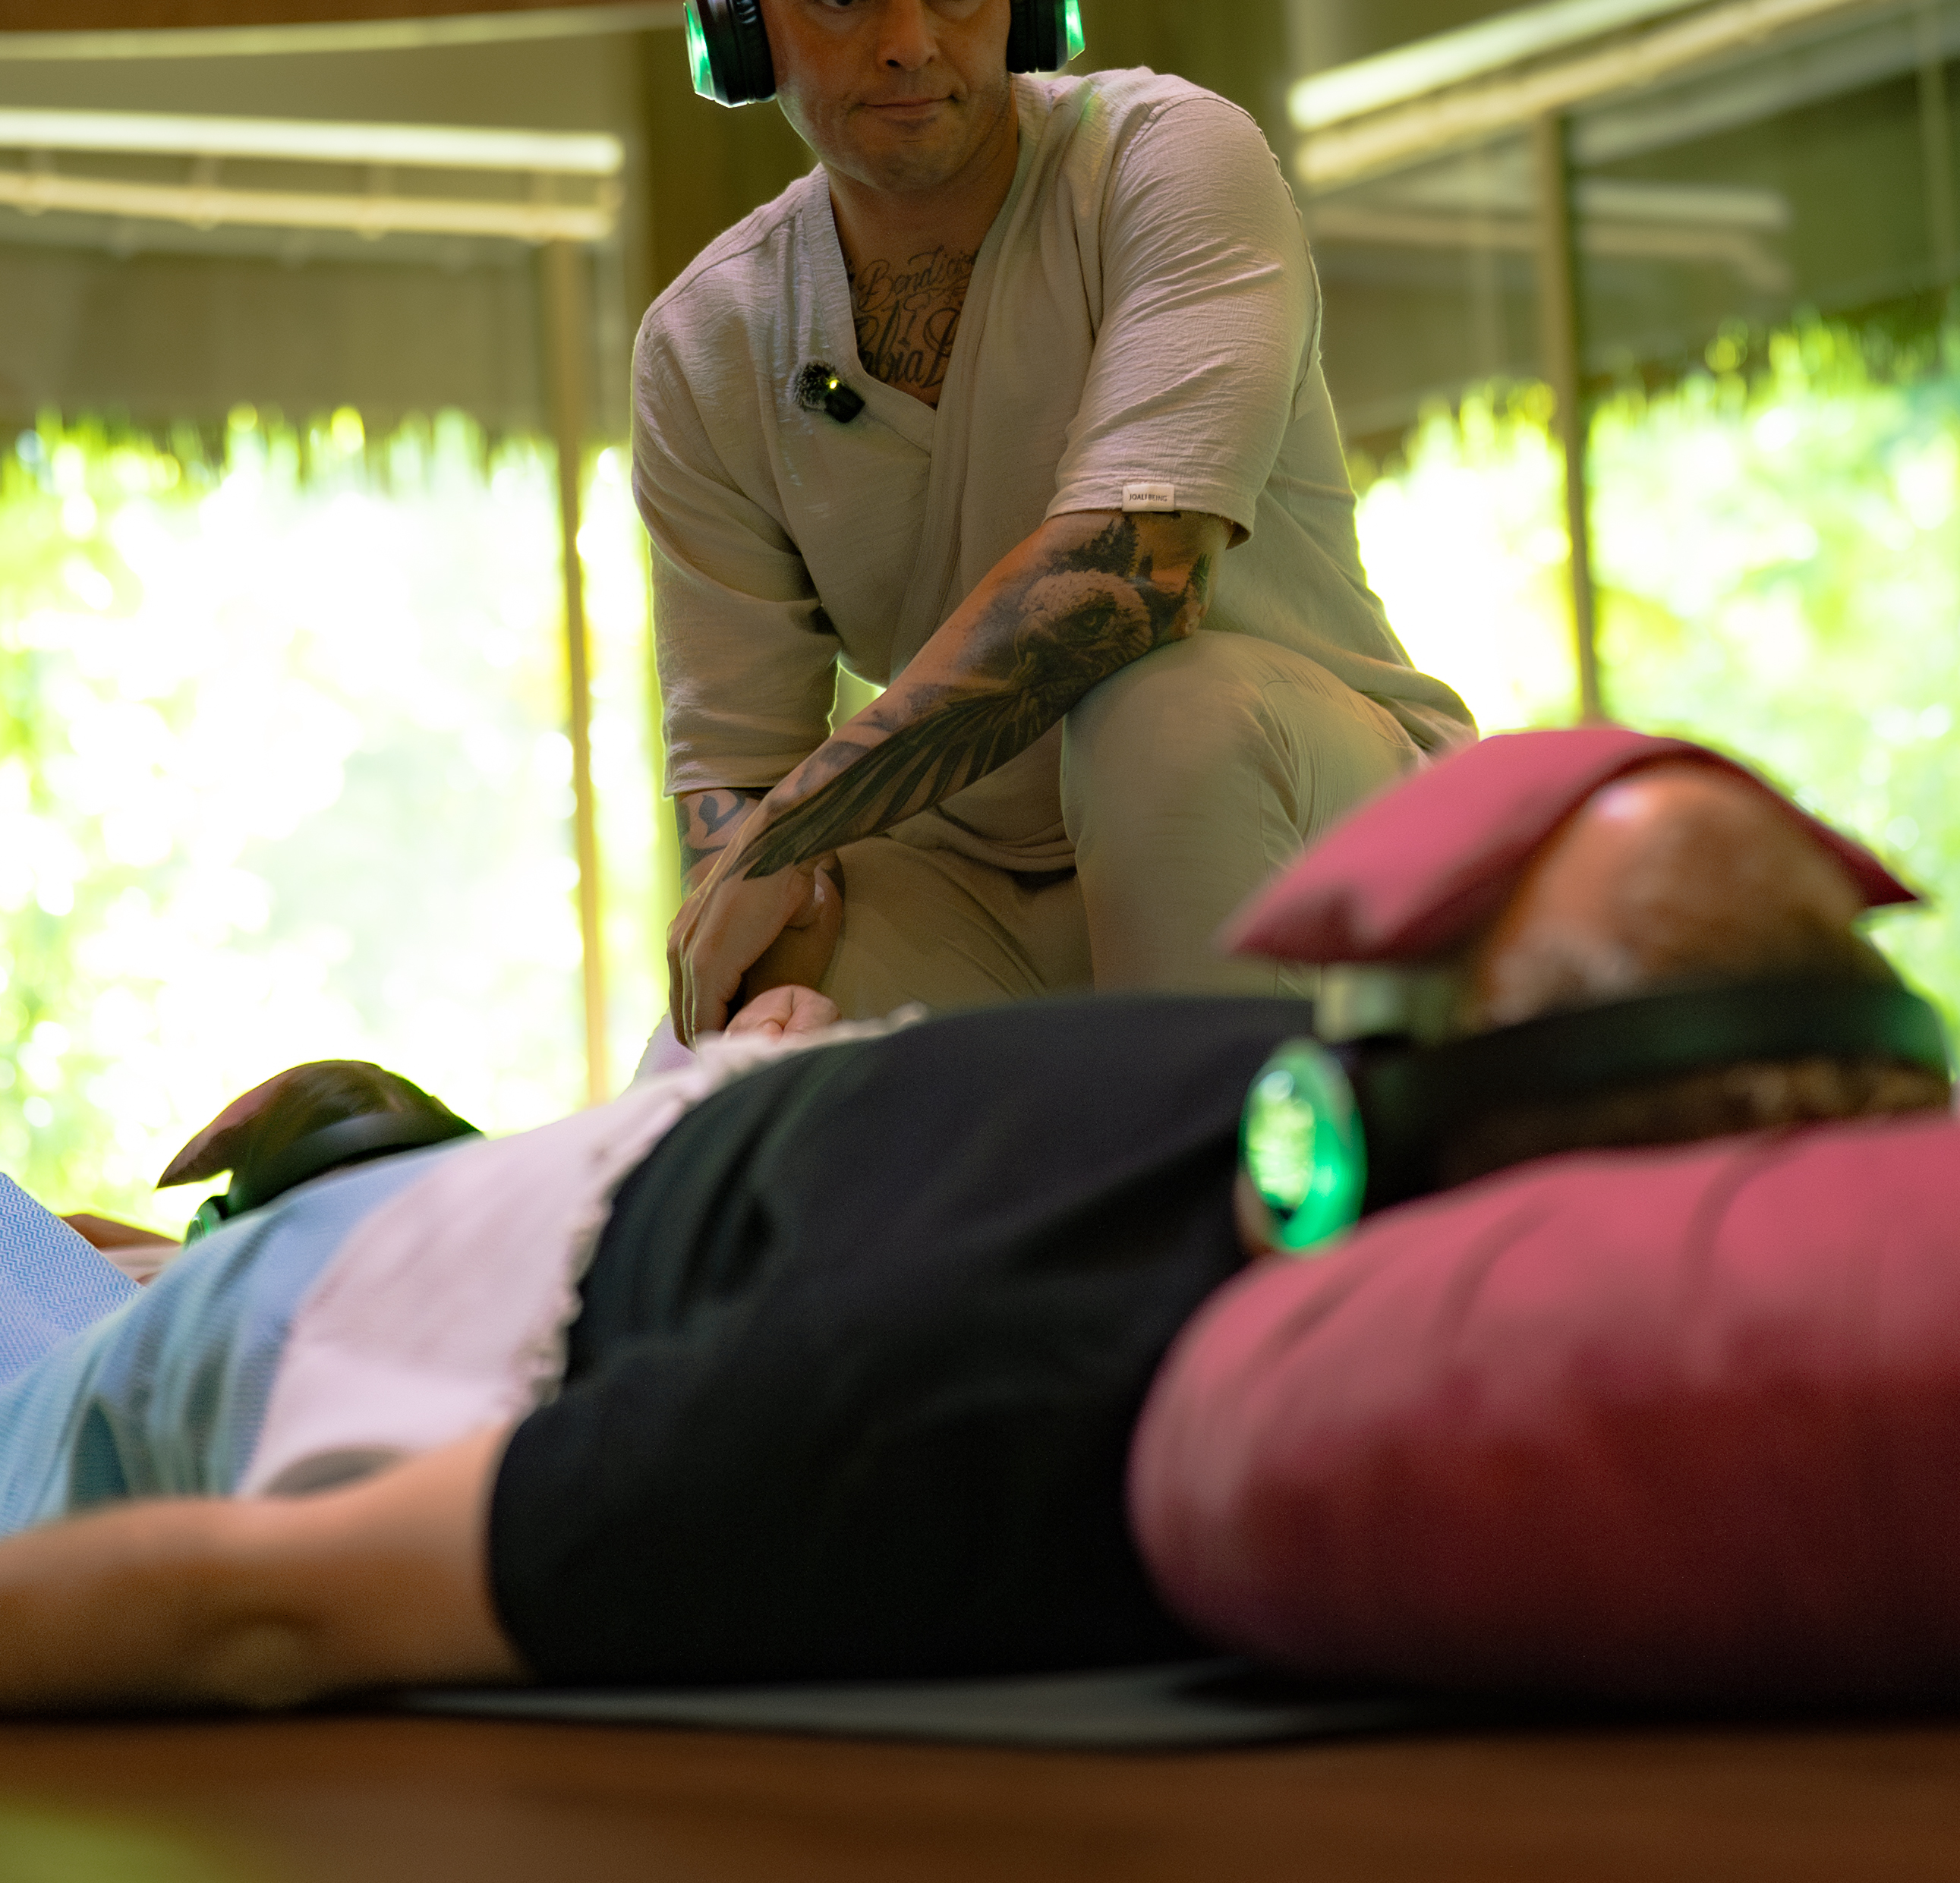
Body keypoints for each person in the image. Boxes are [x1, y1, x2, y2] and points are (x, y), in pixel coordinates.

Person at [0, 741, 1938, 1712]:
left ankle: (138, 1277)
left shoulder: (945, 1379)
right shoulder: (1325, 1120)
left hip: (277, 1347)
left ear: (1373, 1121)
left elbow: (258, 1601)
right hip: (587, 1171)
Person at [639, 0, 1472, 1042]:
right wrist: (772, 961)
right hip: (973, 883)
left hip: (1311, 818)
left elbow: (1136, 577)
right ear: (744, 30)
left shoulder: (1169, 158)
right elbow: (739, 791)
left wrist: (790, 828)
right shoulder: (705, 339)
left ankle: (1235, 1163)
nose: (909, 41)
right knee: (732, 1055)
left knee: (1164, 718)